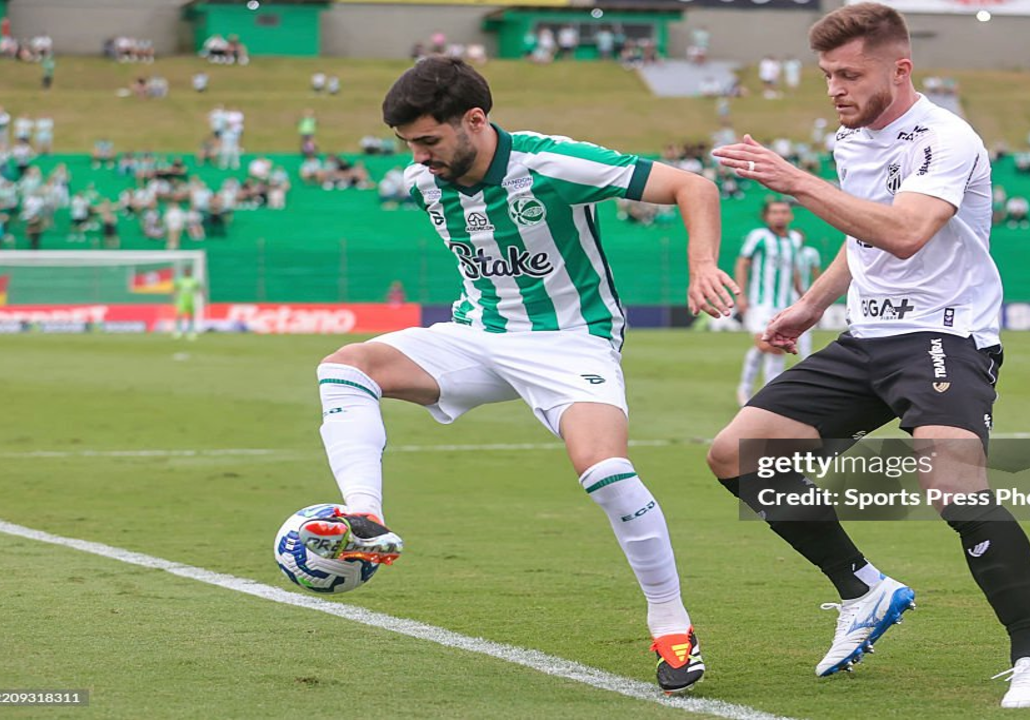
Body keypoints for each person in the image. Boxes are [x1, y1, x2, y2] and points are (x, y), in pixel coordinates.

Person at [310, 57, 737, 695]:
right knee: (345, 367)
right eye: (409, 145)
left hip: (571, 342)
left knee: (605, 471)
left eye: (428, 141)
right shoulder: (427, 181)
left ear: (475, 121)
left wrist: (701, 264)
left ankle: (670, 620)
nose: (419, 159)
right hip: (479, 336)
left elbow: (693, 186)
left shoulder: (550, 164)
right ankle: (365, 519)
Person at [709, 3, 1030, 709]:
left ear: (900, 69)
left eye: (850, 74)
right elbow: (863, 233)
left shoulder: (945, 138)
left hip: (944, 337)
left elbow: (905, 232)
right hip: (866, 338)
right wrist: (813, 305)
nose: (836, 89)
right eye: (827, 76)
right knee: (735, 453)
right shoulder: (853, 140)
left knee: (952, 486)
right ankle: (864, 590)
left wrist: (798, 183)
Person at [734, 199, 802, 406]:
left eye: (783, 212)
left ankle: (767, 395)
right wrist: (740, 294)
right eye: (775, 212)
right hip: (761, 303)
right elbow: (742, 263)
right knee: (767, 345)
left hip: (784, 304)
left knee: (776, 347)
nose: (779, 215)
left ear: (790, 215)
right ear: (766, 216)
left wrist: (803, 295)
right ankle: (748, 389)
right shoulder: (759, 237)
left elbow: (795, 269)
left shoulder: (795, 239)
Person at [795, 237, 822, 358]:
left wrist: (816, 292)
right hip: (782, 295)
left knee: (804, 328)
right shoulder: (784, 250)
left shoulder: (811, 253)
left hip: (804, 293)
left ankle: (805, 357)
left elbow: (816, 272)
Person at [172, 265, 201, 340]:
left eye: (188, 271)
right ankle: (178, 331)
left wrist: (201, 296)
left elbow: (198, 288)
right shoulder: (180, 280)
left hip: (191, 300)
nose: (187, 272)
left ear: (190, 272)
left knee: (191, 316)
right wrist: (174, 295)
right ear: (184, 272)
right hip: (182, 300)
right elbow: (175, 288)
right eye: (186, 271)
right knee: (180, 315)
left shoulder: (194, 280)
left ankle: (190, 331)